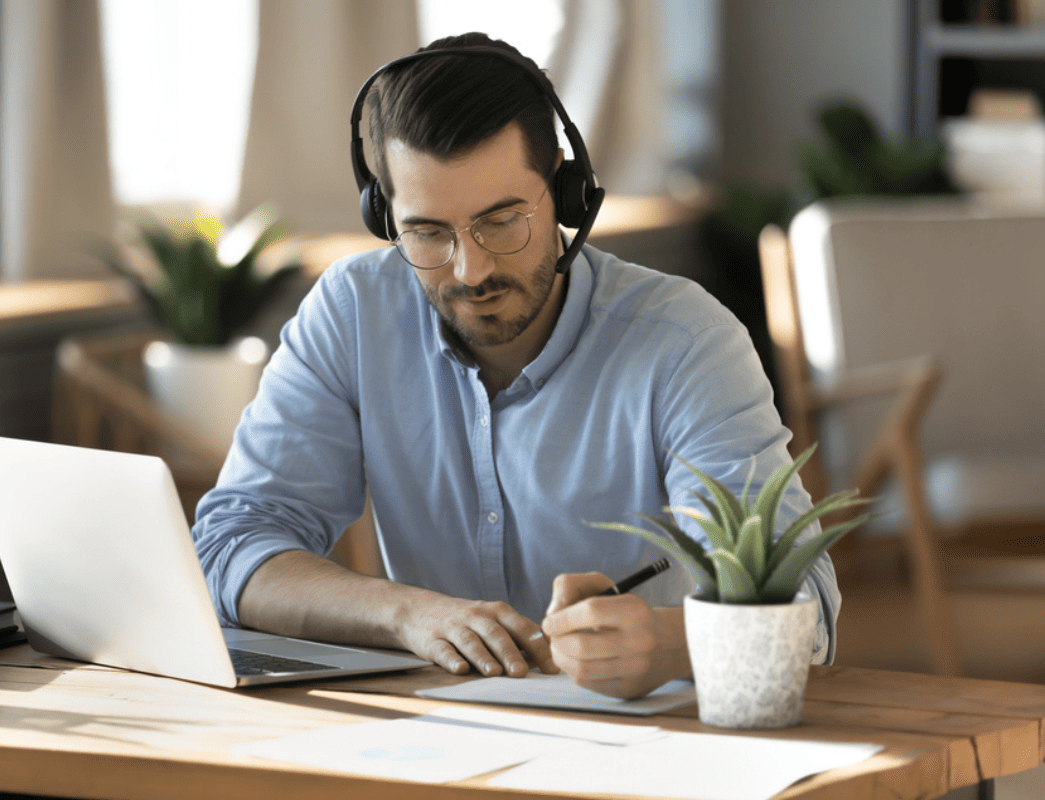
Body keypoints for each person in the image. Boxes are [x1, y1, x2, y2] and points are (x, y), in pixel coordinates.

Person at [192, 32, 840, 700]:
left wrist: (670, 644)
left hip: (651, 742)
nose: (471, 270)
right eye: (427, 233)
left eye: (501, 221)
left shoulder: (684, 341)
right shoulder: (353, 311)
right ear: (384, 215)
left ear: (564, 189)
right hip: (438, 739)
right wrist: (410, 614)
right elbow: (234, 545)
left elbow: (805, 605)